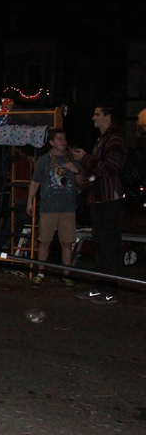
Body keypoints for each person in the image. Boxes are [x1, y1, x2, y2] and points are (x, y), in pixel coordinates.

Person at [72, 105, 127, 304]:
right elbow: (97, 171)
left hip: (108, 200)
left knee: (109, 245)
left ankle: (110, 289)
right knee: (101, 246)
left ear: (108, 117)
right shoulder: (101, 141)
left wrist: (86, 158)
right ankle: (101, 287)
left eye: (97, 114)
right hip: (98, 199)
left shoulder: (115, 139)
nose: (93, 117)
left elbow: (111, 167)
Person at [26, 129, 81, 286]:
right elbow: (35, 182)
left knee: (67, 242)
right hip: (48, 207)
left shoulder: (71, 159)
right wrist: (30, 201)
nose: (63, 142)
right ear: (51, 142)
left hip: (68, 207)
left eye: (64, 139)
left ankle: (66, 275)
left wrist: (75, 170)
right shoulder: (44, 161)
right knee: (44, 241)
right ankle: (40, 273)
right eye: (59, 139)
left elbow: (82, 180)